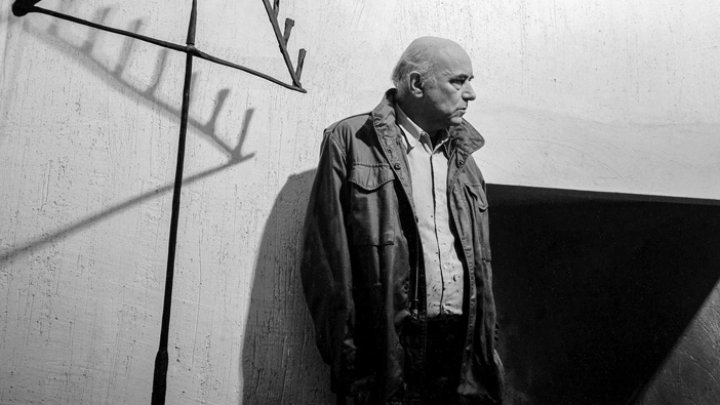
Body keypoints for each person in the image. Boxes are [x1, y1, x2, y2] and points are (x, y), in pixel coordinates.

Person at [301, 37, 503, 405]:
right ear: (416, 84)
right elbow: (326, 264)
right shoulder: (352, 141)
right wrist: (352, 366)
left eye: (469, 81)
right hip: (391, 348)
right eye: (458, 81)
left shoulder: (465, 159)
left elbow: (481, 269)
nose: (470, 94)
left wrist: (488, 349)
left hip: (461, 351)